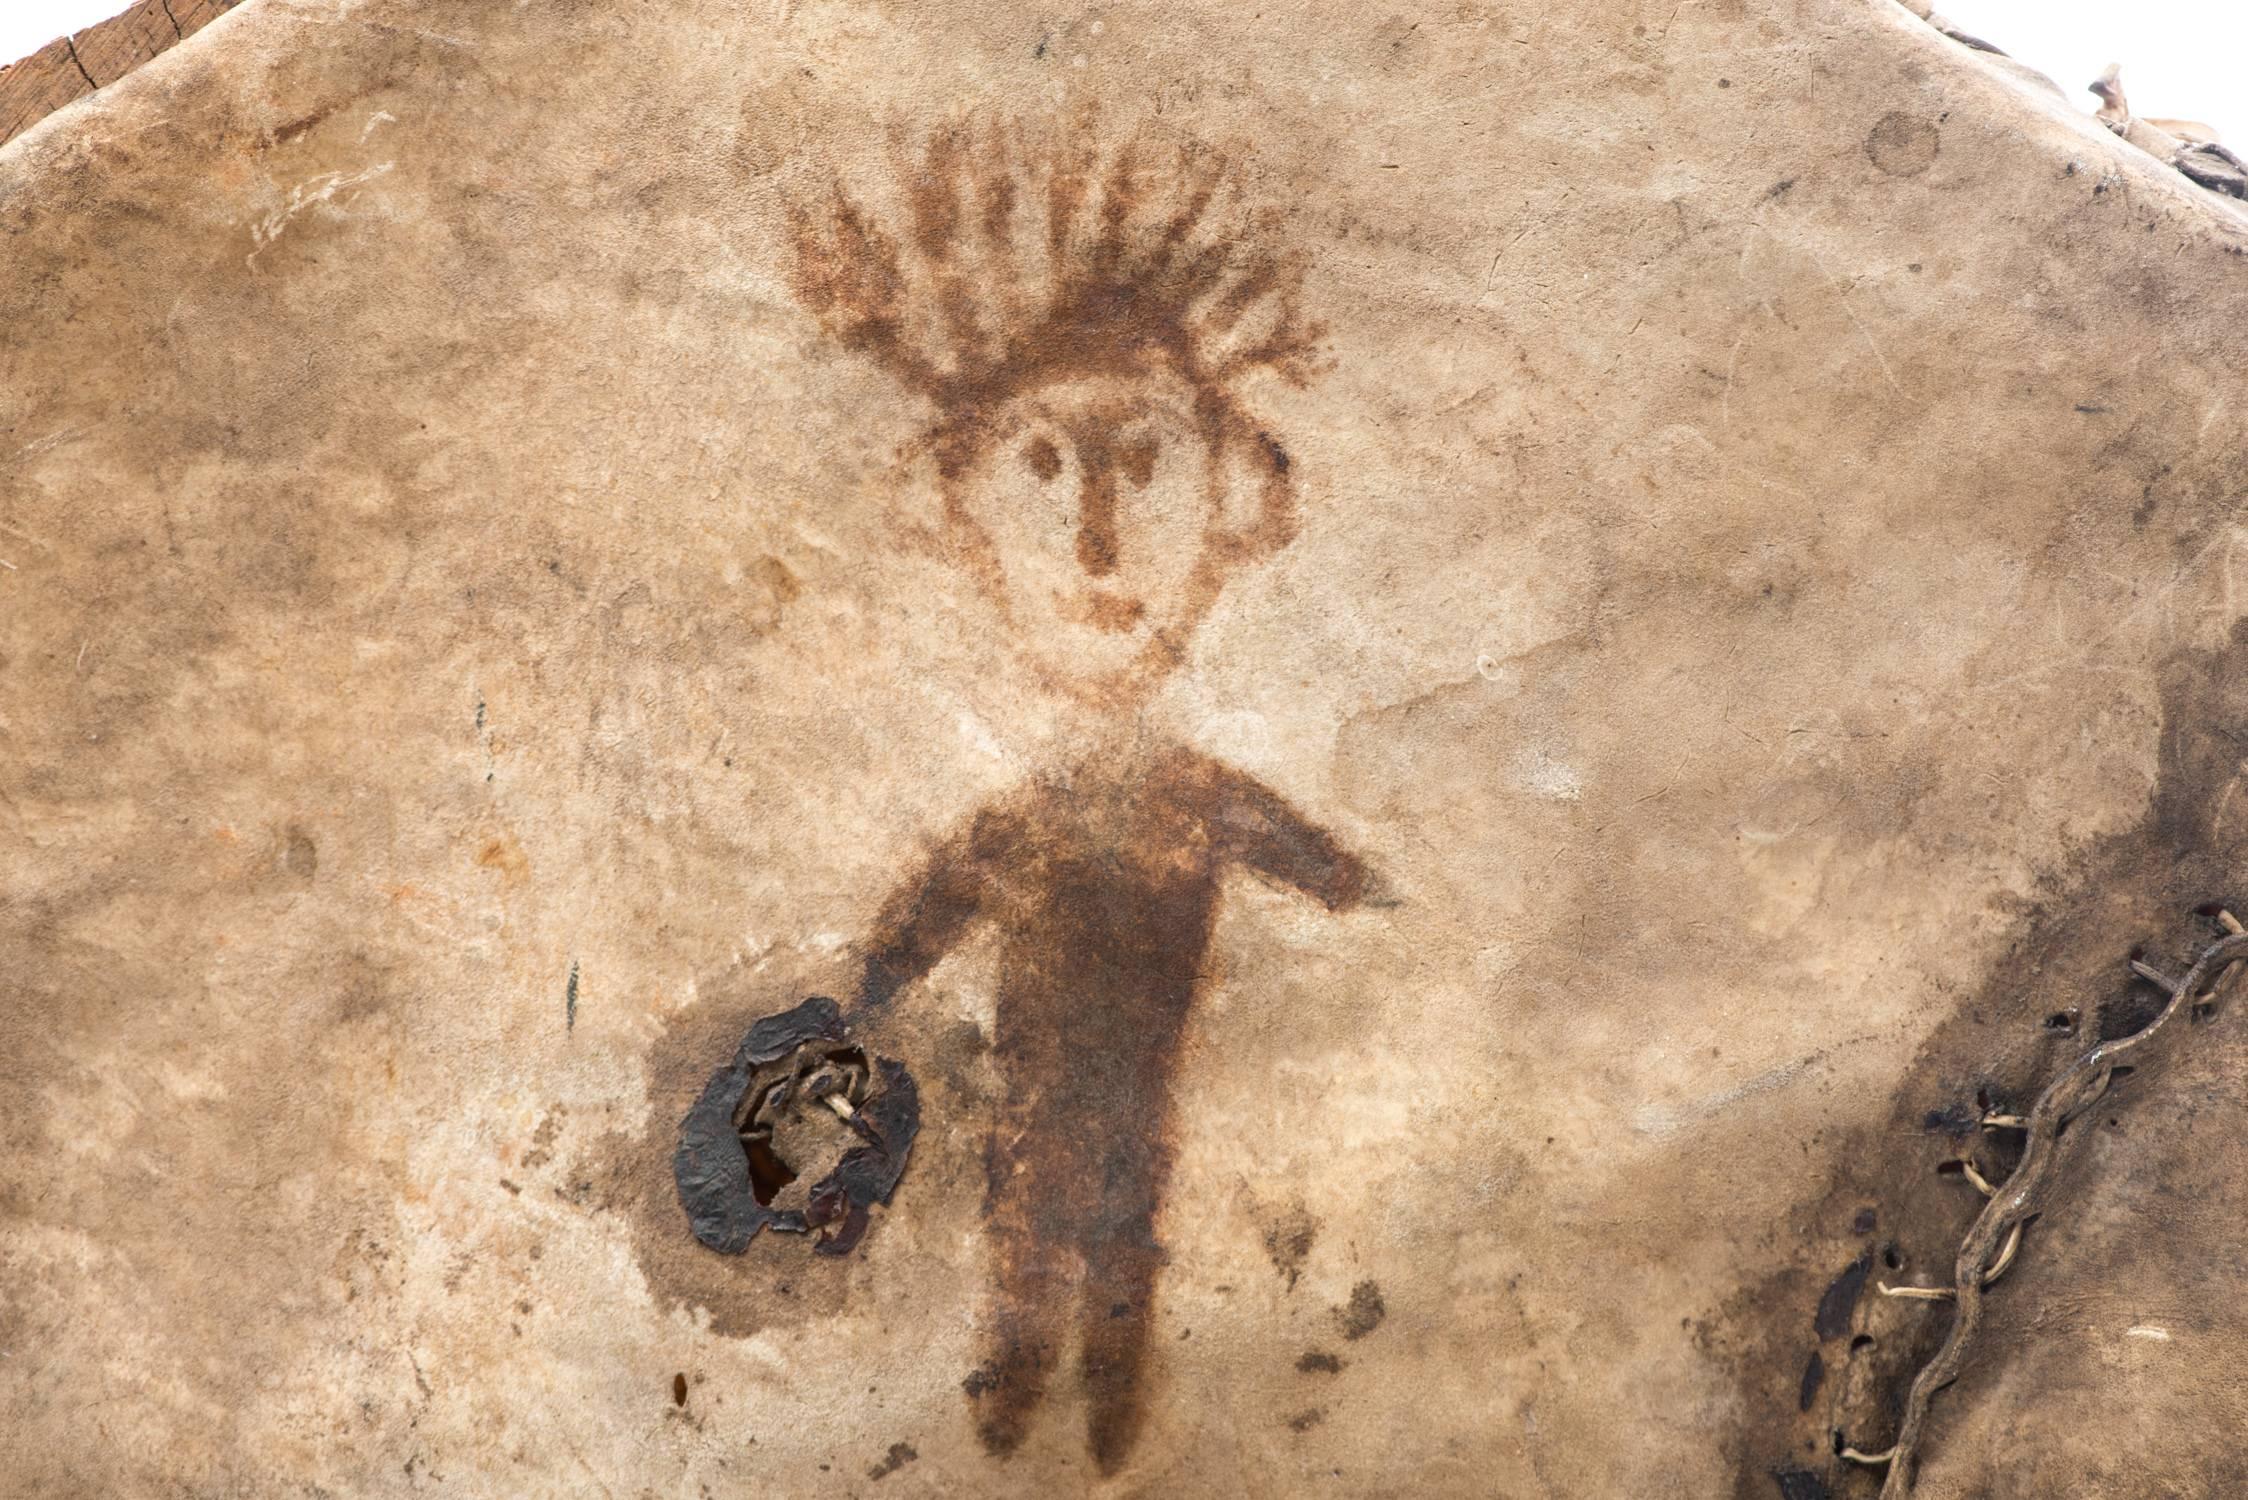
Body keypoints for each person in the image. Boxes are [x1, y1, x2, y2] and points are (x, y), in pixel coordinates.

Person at [791, 116, 1374, 1473]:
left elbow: (1320, 865)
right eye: (1044, 463)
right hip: (1033, 1105)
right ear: (953, 500)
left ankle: (1104, 1418)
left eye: (1150, 460)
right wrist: (869, 989)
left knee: (1123, 1239)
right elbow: (927, 912)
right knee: (1033, 1234)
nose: (1100, 538)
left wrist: (1364, 895)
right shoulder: (1047, 814)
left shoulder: (1195, 796)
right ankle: (1015, 1407)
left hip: (1140, 1109)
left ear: (1244, 493)